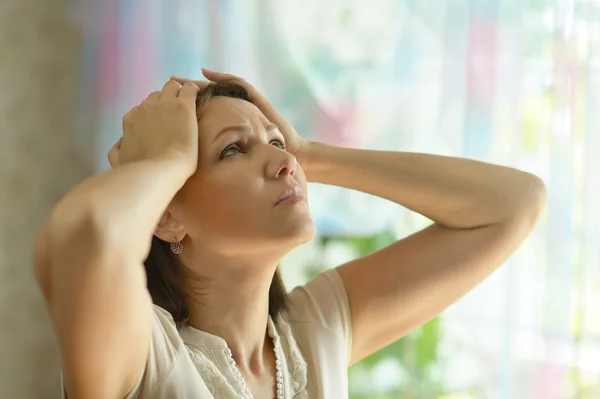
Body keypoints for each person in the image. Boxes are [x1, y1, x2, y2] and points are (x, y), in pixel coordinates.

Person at [34, 69, 547, 399]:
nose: (283, 163)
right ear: (168, 217)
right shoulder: (145, 357)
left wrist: (313, 154)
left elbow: (515, 204)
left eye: (278, 142)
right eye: (233, 149)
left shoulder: (313, 332)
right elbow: (84, 234)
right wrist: (167, 159)